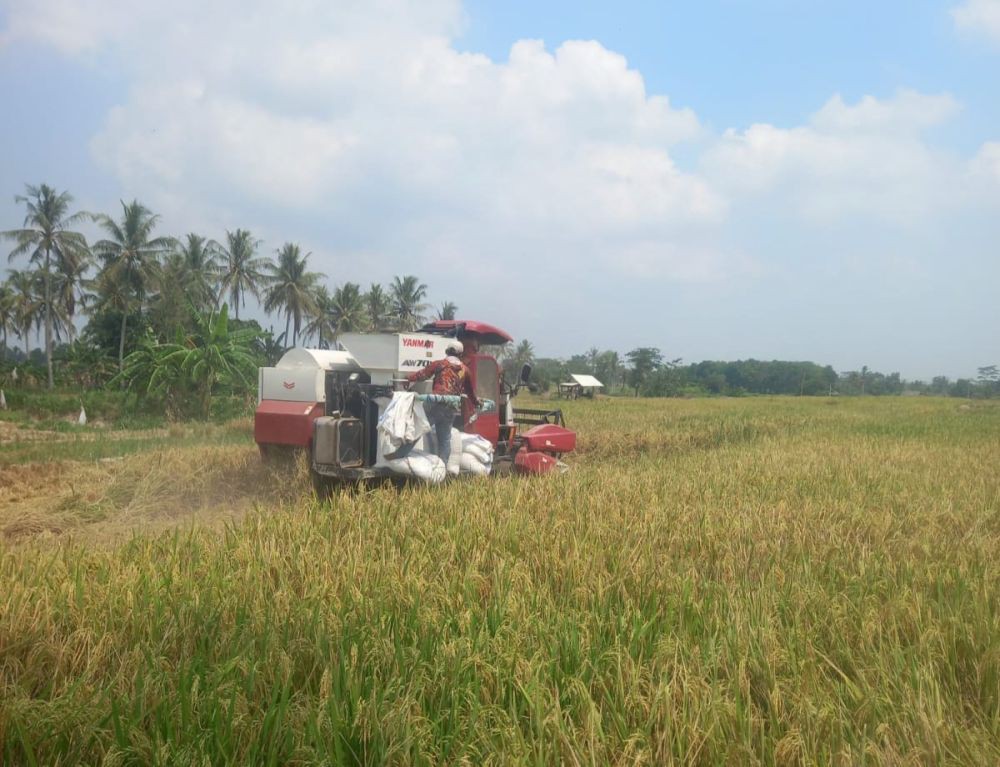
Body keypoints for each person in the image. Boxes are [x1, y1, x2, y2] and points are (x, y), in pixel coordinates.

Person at [406, 340, 478, 462]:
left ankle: (401, 454)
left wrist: (407, 378)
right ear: (461, 354)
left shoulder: (439, 364)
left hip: (435, 404)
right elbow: (470, 393)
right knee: (444, 440)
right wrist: (477, 403)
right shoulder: (465, 370)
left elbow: (422, 375)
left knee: (417, 429)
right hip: (451, 408)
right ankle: (442, 468)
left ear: (447, 351)